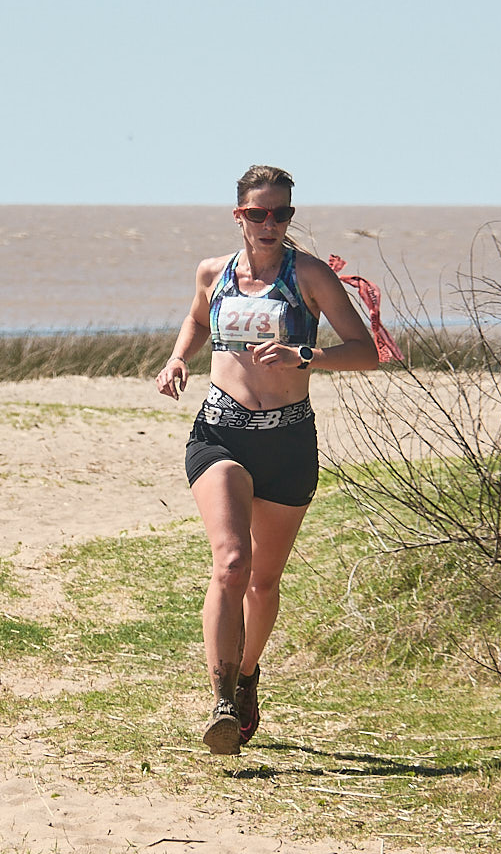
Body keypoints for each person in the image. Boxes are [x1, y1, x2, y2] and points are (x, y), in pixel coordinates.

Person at [156, 165, 382, 754]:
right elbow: (198, 319)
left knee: (264, 581)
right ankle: (222, 700)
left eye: (281, 213)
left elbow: (366, 353)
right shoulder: (215, 272)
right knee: (231, 563)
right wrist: (179, 357)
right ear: (240, 216)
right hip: (221, 434)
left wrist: (304, 355)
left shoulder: (307, 276)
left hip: (288, 440)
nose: (270, 223)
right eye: (258, 213)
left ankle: (249, 672)